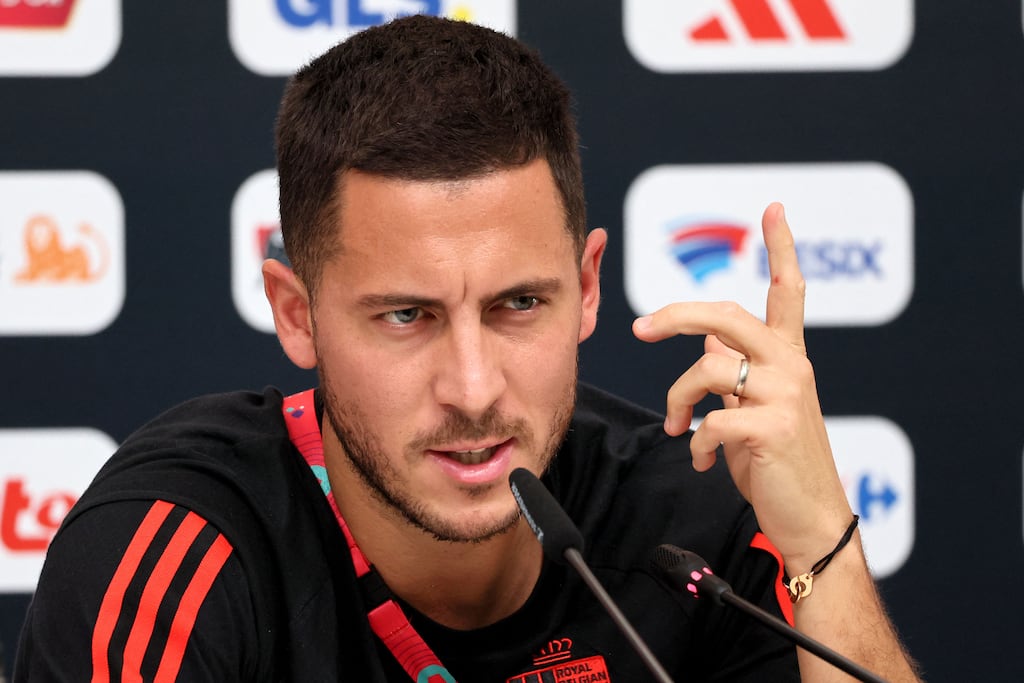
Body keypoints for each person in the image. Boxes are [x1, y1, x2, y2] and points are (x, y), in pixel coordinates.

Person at [14, 15, 921, 683]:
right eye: (406, 316)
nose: (475, 387)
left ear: (588, 287)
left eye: (519, 303)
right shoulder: (175, 554)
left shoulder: (694, 531)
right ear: (296, 314)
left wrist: (820, 540)